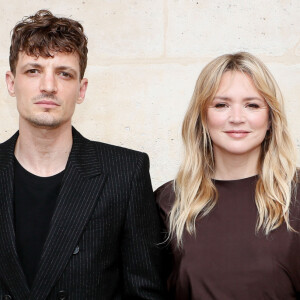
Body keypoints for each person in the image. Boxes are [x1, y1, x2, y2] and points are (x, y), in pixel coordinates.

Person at [1, 10, 165, 299]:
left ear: (81, 89)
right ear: (11, 83)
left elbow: (146, 292)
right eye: (33, 70)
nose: (48, 86)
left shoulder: (125, 173)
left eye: (64, 73)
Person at [155, 52, 300, 299]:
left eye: (252, 105)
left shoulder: (296, 198)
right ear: (203, 117)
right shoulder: (168, 201)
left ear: (270, 120)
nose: (236, 118)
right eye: (221, 104)